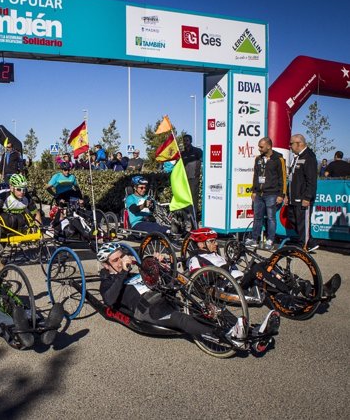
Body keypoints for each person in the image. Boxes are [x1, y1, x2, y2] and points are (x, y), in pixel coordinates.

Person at [97, 242, 279, 352]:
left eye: (122, 257)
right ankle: (229, 336)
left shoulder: (133, 273)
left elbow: (157, 278)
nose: (121, 262)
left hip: (165, 298)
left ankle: (253, 332)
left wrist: (161, 264)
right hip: (148, 310)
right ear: (106, 265)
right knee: (181, 319)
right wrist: (121, 274)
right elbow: (109, 301)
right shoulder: (107, 282)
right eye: (115, 260)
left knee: (207, 306)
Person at [186, 227, 341, 306]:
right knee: (257, 269)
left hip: (240, 280)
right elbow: (200, 279)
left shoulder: (215, 254)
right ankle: (293, 291)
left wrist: (235, 257)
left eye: (214, 241)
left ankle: (314, 289)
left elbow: (229, 264)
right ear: (201, 243)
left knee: (267, 264)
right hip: (229, 286)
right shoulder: (196, 259)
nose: (215, 244)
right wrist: (227, 266)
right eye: (211, 241)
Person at [0, 173, 41, 249]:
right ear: (11, 188)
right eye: (19, 189)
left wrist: (39, 230)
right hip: (2, 221)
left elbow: (37, 214)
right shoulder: (2, 198)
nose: (22, 192)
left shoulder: (26, 197)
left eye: (24, 189)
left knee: (23, 217)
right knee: (6, 219)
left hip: (17, 220)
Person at [248, 137, 287, 249]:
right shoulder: (258, 159)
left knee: (271, 218)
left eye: (261, 146)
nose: (259, 149)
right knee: (257, 217)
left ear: (269, 146)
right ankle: (254, 239)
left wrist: (281, 194)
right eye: (259, 146)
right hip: (259, 194)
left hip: (272, 193)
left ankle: (270, 240)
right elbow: (255, 176)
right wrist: (254, 190)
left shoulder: (278, 159)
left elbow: (283, 178)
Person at [286, 134, 318, 251]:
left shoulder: (309, 156)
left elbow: (311, 180)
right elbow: (292, 177)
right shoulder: (297, 157)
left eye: (291, 144)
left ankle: (304, 245)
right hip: (293, 197)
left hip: (303, 197)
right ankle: (310, 242)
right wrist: (287, 195)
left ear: (299, 143)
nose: (289, 146)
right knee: (293, 219)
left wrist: (307, 197)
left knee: (302, 223)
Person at [181, 135, 203, 218]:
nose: (185, 142)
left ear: (191, 141)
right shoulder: (182, 153)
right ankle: (186, 217)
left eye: (186, 140)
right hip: (185, 179)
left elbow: (204, 161)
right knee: (185, 198)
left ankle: (193, 218)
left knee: (193, 199)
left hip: (194, 178)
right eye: (184, 141)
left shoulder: (197, 151)